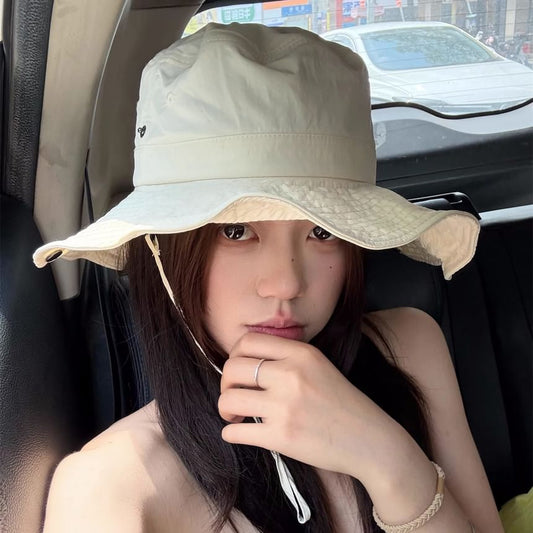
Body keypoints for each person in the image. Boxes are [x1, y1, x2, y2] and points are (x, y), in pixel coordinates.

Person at [33, 23, 504, 533]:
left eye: (323, 231)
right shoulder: (111, 491)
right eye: (236, 231)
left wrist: (388, 460)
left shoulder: (408, 347)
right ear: (161, 248)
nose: (286, 285)